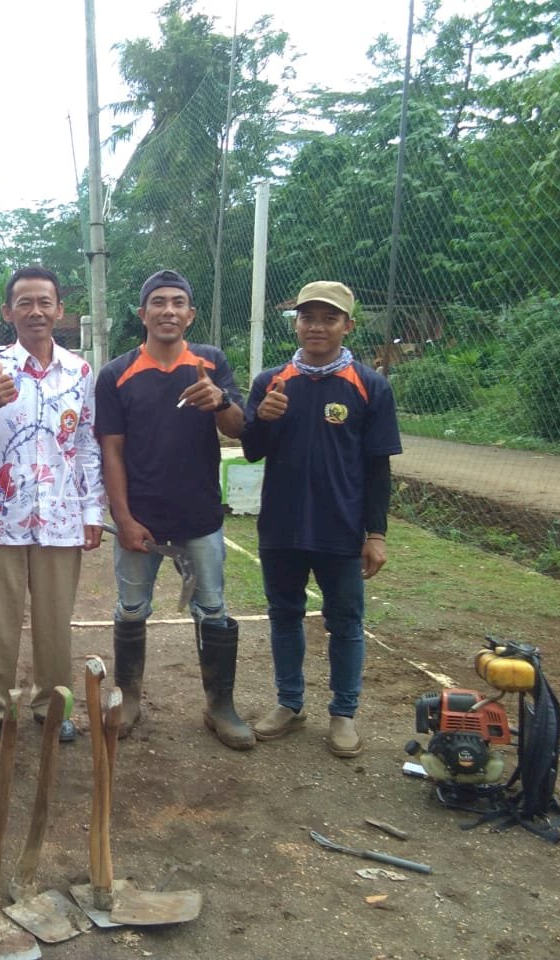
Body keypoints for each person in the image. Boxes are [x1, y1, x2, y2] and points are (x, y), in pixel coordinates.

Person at [240, 281, 401, 758]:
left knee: (346, 621)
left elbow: (378, 467)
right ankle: (289, 704)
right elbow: (251, 451)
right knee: (284, 615)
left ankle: (343, 714)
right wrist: (264, 417)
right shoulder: (271, 381)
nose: (316, 326)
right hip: (282, 526)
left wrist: (376, 533)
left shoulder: (369, 385)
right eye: (308, 317)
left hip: (340, 528)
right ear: (297, 323)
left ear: (347, 325)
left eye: (328, 318)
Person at [94, 269, 253, 749]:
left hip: (200, 516)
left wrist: (219, 399)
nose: (168, 310)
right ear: (142, 314)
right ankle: (130, 697)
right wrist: (123, 518)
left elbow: (237, 428)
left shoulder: (210, 362)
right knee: (132, 608)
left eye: (178, 302)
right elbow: (112, 451)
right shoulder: (116, 373)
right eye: (158, 302)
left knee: (213, 609)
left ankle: (220, 705)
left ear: (191, 314)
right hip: (141, 518)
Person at [0, 266, 105, 750]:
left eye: (45, 302)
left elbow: (86, 446)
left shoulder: (80, 372)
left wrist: (91, 512)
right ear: (8, 312)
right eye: (25, 302)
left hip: (60, 519)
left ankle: (52, 707)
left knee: (55, 622)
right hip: (1, 519)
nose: (35, 311)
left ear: (59, 310)